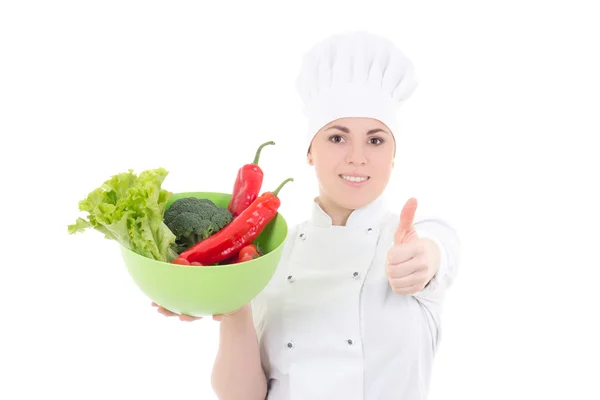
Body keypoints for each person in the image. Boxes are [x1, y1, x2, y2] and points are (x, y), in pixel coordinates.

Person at [153, 30, 461, 400]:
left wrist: (423, 261)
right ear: (310, 151)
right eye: (337, 137)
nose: (357, 157)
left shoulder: (416, 240)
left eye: (376, 140)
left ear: (393, 157)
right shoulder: (269, 255)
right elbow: (242, 396)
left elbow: (439, 251)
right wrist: (230, 303)